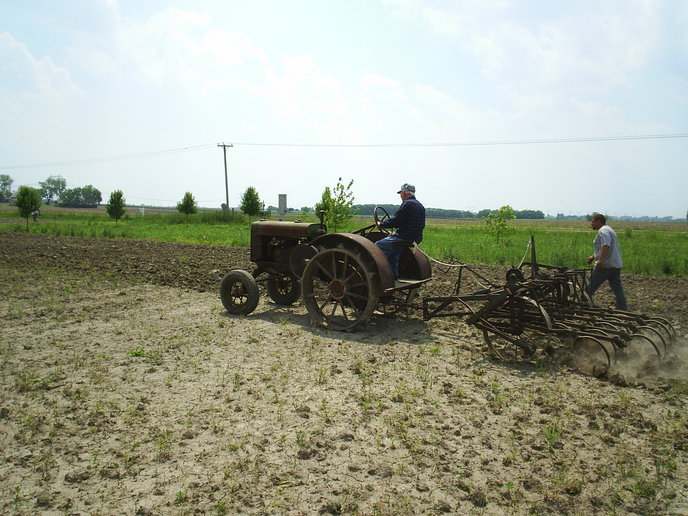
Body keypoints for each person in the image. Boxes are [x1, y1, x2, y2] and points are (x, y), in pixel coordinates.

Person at [375, 183, 425, 279]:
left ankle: (377, 272)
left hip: (403, 236)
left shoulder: (407, 204)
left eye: (401, 193)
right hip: (415, 238)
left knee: (378, 245)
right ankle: (393, 275)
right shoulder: (420, 206)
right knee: (395, 251)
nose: (400, 196)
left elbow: (396, 221)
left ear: (405, 193)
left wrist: (381, 224)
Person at [586, 213, 627, 310]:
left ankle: (582, 302)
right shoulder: (609, 229)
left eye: (592, 221)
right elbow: (602, 248)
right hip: (615, 265)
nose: (591, 224)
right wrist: (593, 256)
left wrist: (600, 260)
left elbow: (606, 245)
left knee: (590, 285)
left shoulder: (603, 231)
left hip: (605, 265)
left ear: (598, 221)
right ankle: (622, 306)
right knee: (617, 288)